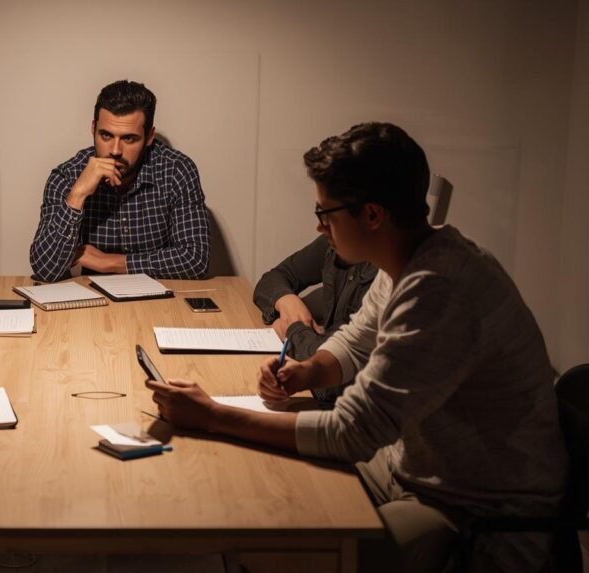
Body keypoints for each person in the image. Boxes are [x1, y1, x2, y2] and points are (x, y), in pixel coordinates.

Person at [145, 123, 567, 572]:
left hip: (477, 513)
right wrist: (310, 371)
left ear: (372, 215)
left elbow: (351, 432)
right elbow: (357, 340)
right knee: (256, 489)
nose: (319, 226)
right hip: (411, 467)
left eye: (326, 213)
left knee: (283, 548)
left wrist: (212, 415)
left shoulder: (438, 289)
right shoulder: (407, 258)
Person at [29, 80, 210, 282]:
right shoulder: (68, 176)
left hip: (162, 297)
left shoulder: (176, 171)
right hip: (93, 297)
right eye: (106, 135)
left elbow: (195, 260)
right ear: (93, 129)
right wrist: (78, 194)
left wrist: (110, 263)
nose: (115, 150)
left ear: (149, 137)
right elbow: (45, 270)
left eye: (129, 139)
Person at [253, 235, 376, 407]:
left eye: (327, 219)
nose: (320, 227)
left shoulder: (393, 276)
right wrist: (287, 302)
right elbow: (273, 278)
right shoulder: (338, 238)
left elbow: (332, 387)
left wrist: (292, 330)